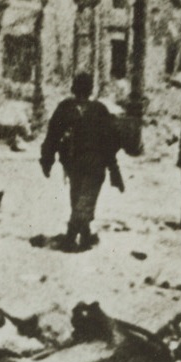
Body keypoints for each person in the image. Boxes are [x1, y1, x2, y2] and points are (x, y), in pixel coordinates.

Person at [39, 72, 124, 251]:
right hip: (95, 163)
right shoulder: (99, 109)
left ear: (73, 88)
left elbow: (52, 136)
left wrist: (47, 160)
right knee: (85, 200)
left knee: (78, 198)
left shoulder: (65, 108)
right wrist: (113, 169)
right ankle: (72, 237)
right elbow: (109, 141)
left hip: (73, 163)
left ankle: (83, 236)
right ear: (91, 90)